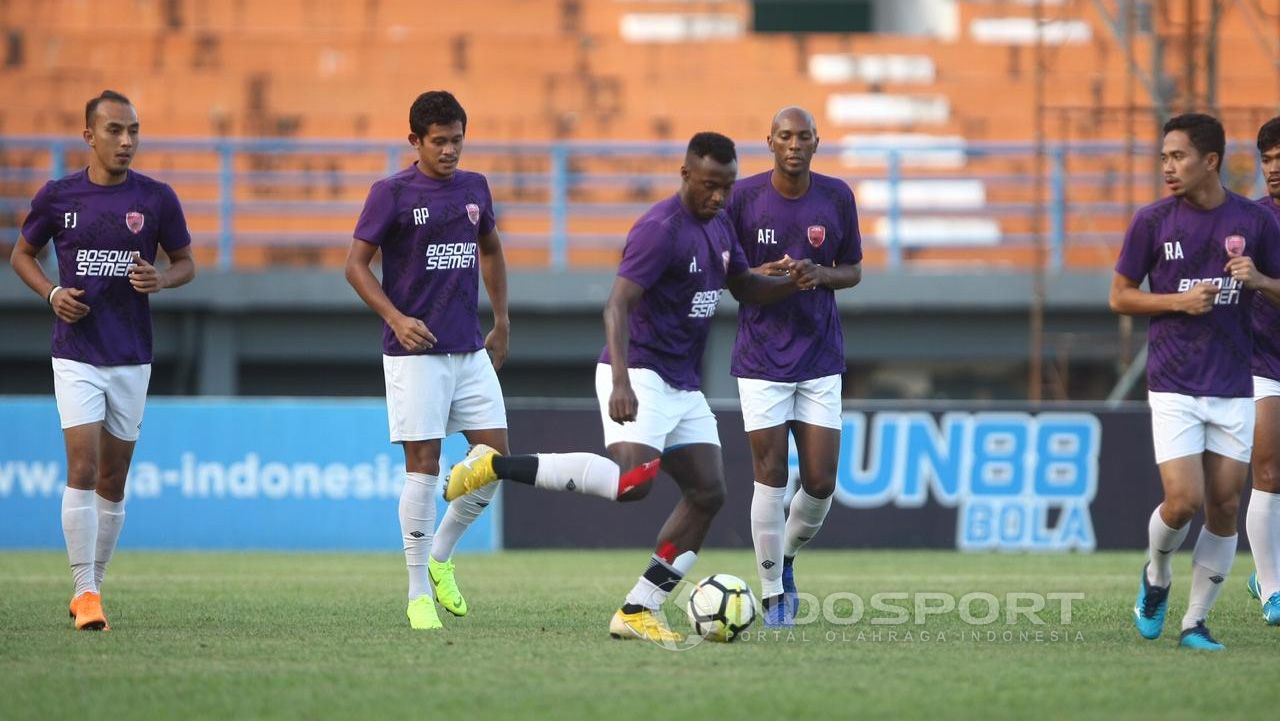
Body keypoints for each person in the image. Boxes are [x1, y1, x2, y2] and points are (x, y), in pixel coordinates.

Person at [446, 132, 816, 642]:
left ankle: (639, 608)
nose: (718, 197)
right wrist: (621, 380)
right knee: (631, 483)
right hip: (638, 371)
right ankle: (492, 465)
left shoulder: (721, 224)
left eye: (726, 187)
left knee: (708, 492)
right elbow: (616, 304)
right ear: (686, 175)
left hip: (682, 384)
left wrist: (789, 282)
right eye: (709, 186)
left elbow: (743, 287)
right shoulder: (659, 230)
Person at [9, 90, 196, 631]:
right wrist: (50, 294)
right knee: (84, 467)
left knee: (114, 478)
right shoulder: (59, 196)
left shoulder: (157, 199)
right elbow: (23, 253)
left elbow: (186, 263)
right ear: (89, 136)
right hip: (77, 353)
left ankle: (94, 583)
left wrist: (161, 278)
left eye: (134, 130)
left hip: (132, 354)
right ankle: (85, 592)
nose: (127, 141)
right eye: (115, 130)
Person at [1111, 113, 1280, 650]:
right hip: (1175, 382)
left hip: (1234, 381)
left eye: (1178, 156)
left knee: (1225, 505)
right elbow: (1120, 295)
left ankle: (1194, 623)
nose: (1168, 166)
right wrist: (1176, 302)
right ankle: (1156, 576)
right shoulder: (1153, 221)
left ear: (1211, 161)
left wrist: (1259, 280)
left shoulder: (1255, 222)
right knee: (1184, 501)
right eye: (1164, 157)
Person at [345, 90, 510, 631]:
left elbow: (490, 249)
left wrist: (503, 320)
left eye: (457, 140)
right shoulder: (390, 193)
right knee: (424, 469)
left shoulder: (475, 188)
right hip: (414, 353)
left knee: (494, 463)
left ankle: (440, 556)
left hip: (469, 348)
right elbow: (355, 266)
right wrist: (394, 317)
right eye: (439, 141)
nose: (449, 151)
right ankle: (417, 593)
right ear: (415, 140)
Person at [725, 106, 862, 627]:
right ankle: (770, 594)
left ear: (816, 141)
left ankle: (784, 558)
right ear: (770, 141)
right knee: (771, 476)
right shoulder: (744, 198)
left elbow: (852, 271)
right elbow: (728, 275)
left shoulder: (836, 196)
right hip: (761, 359)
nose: (794, 144)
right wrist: (765, 274)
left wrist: (819, 274)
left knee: (822, 481)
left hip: (820, 355)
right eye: (785, 136)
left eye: (803, 136)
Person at [1245, 115, 1280, 624]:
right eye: (1267, 161)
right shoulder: (1250, 221)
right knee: (1269, 471)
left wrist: (1261, 281)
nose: (1272, 170)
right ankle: (1272, 590)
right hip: (1262, 360)